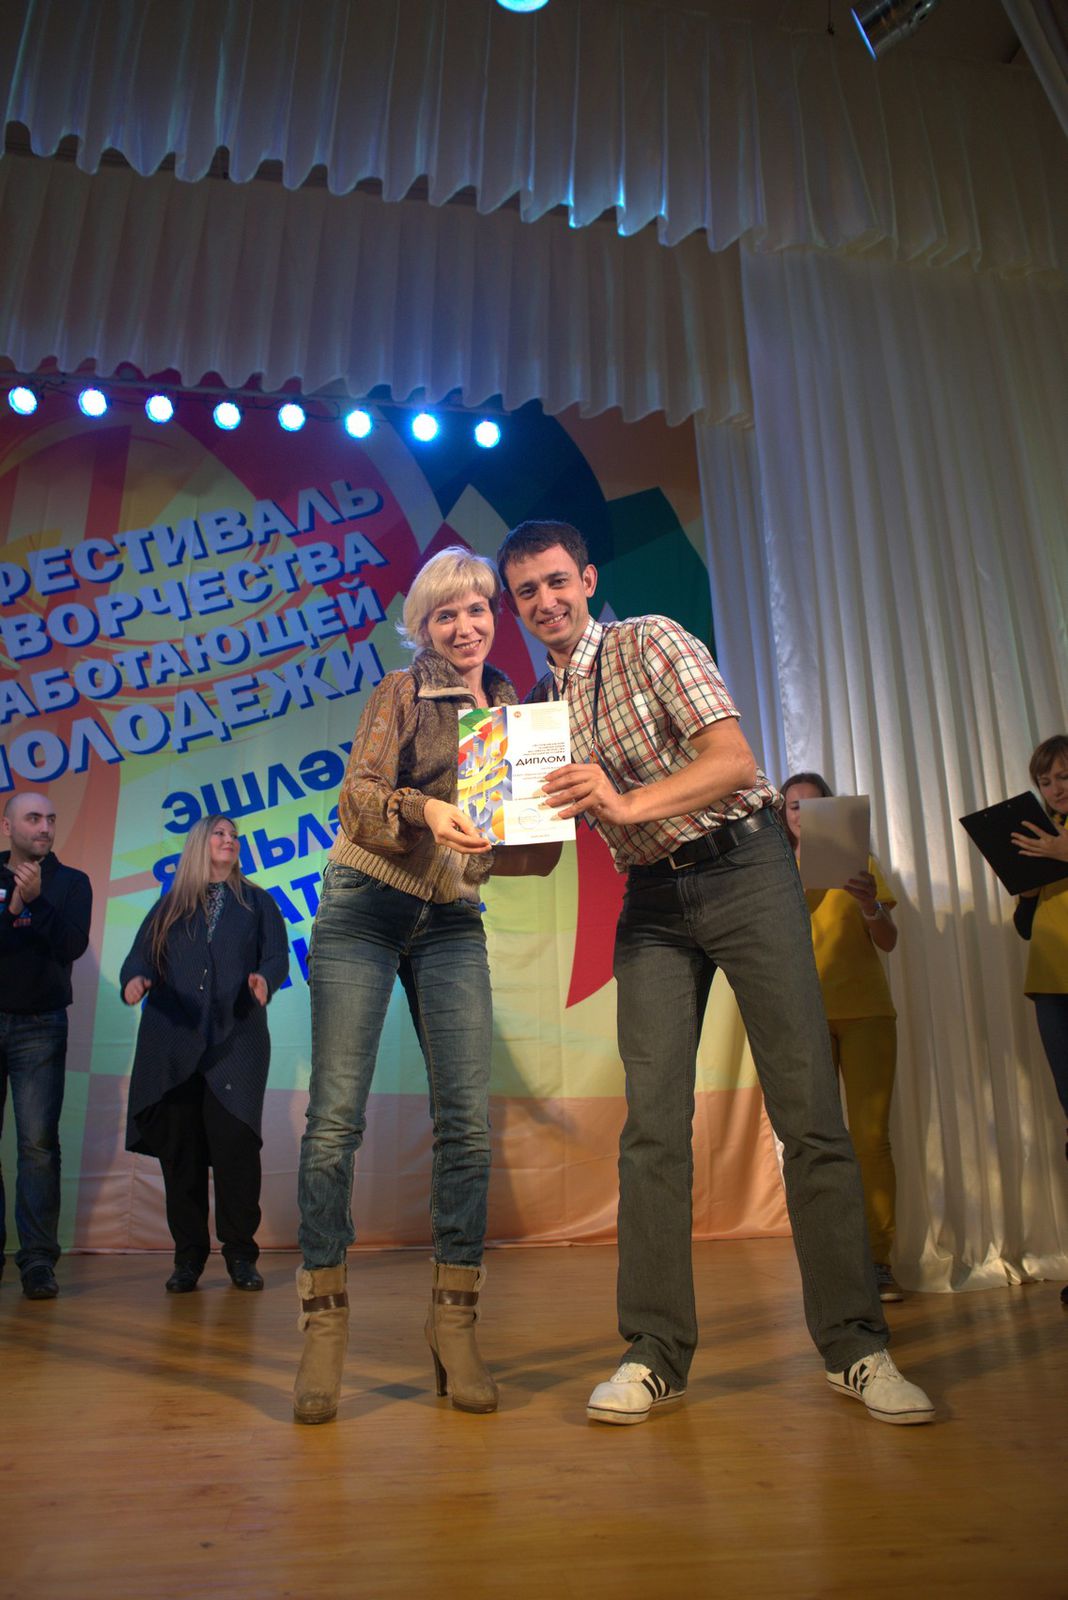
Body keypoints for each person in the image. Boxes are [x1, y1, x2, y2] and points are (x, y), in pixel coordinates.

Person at [497, 519, 935, 1426]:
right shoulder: (538, 712)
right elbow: (538, 855)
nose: (545, 601)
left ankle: (856, 1347)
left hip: (745, 868)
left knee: (808, 1112)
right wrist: (475, 843)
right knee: (651, 1129)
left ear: (587, 579)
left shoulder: (650, 640)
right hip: (653, 899)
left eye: (556, 581)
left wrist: (622, 802)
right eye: (526, 591)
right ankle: (654, 1353)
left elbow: (733, 762)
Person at [294, 546, 554, 1426]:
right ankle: (323, 1322)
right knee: (335, 1121)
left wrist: (545, 822)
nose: (465, 626)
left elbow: (528, 855)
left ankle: (455, 1323)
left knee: (467, 1126)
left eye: (477, 608)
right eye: (446, 614)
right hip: (365, 905)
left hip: (450, 917)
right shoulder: (400, 692)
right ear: (423, 626)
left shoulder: (518, 713)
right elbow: (359, 798)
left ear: (494, 615)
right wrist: (426, 809)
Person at [121, 815, 288, 1293]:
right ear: (200, 843)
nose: (229, 840)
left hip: (237, 1041)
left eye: (234, 836)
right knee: (183, 1154)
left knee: (237, 1148)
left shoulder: (257, 902)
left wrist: (265, 980)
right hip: (173, 1042)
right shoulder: (171, 905)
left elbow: (276, 956)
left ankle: (240, 1255)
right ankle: (188, 1258)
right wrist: (135, 980)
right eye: (220, 834)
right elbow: (140, 957)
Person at [781, 772, 903, 1303]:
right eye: (793, 807)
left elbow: (889, 941)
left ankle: (878, 1261)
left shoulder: (861, 864)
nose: (802, 816)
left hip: (866, 1012)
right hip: (804, 1017)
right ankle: (831, 1266)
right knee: (813, 1142)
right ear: (782, 815)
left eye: (813, 806)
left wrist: (870, 905)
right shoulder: (774, 871)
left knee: (870, 1140)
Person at [0, 792, 92, 1300]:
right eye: (33, 818)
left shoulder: (71, 882)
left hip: (40, 1025)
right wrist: (13, 906)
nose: (44, 827)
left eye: (51, 819)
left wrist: (35, 903)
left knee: (37, 1145)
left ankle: (37, 1260)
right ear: (8, 825)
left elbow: (72, 946)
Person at [1010, 734, 1068, 1305]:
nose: (1055, 788)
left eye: (1064, 777)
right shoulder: (1043, 835)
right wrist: (1027, 893)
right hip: (1052, 987)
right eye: (1046, 781)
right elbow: (1026, 929)